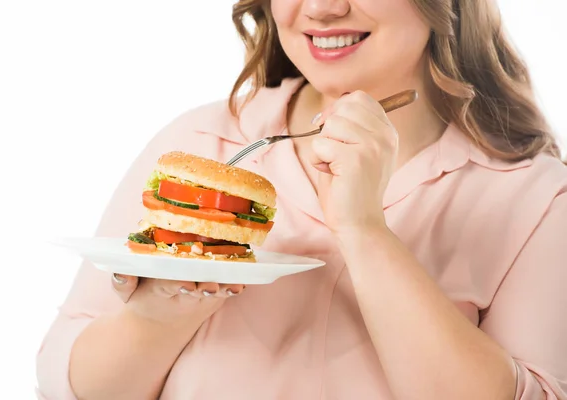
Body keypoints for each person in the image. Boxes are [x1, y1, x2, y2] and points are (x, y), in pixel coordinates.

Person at [36, 0, 567, 399]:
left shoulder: (533, 198)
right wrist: (159, 317)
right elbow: (67, 380)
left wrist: (365, 231)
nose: (320, 8)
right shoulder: (206, 144)